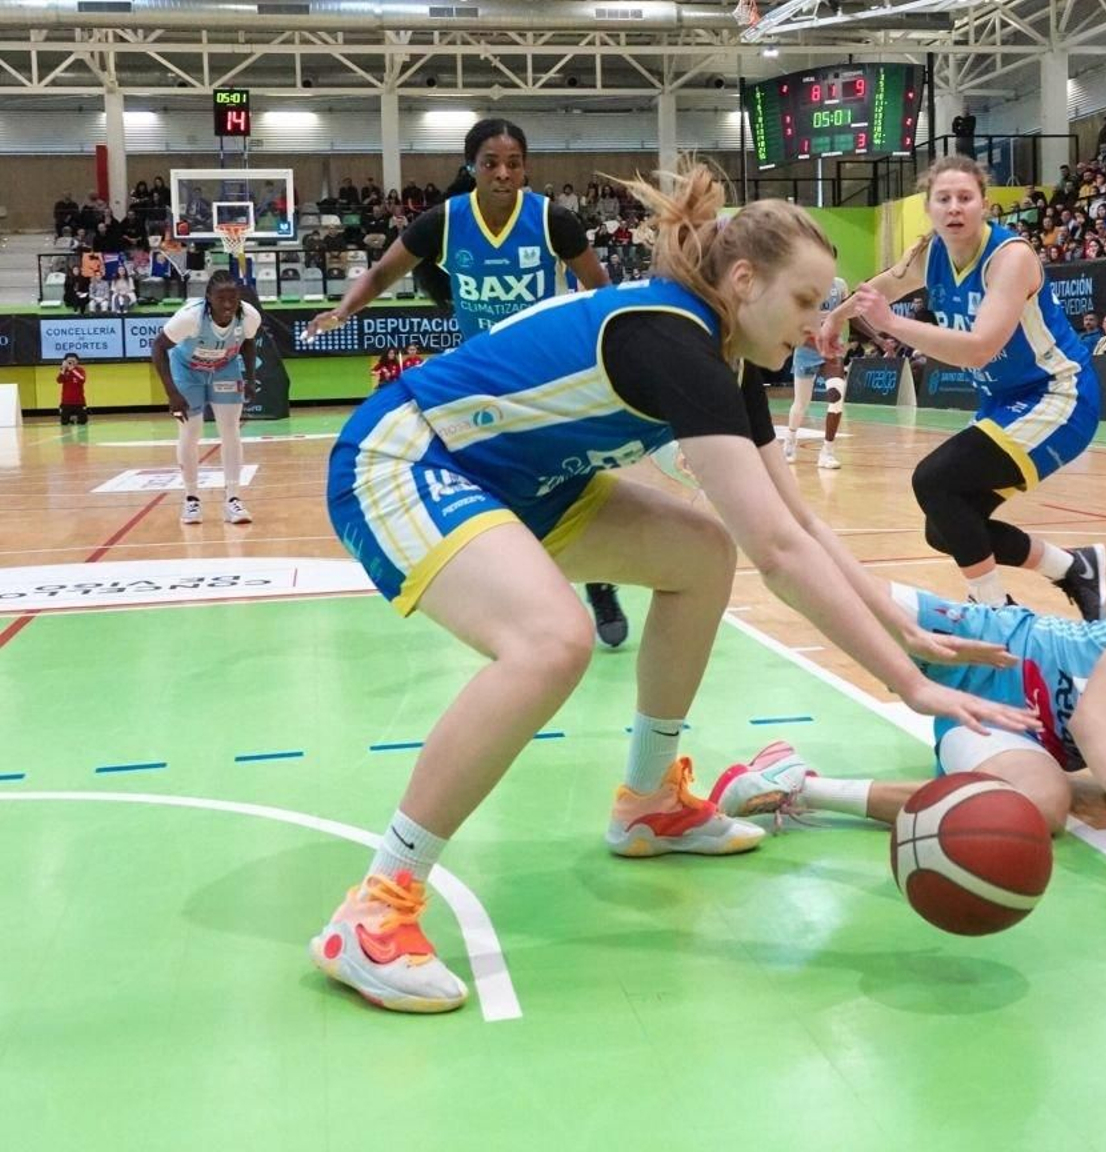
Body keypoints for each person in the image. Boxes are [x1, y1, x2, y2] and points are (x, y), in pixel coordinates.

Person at [310, 163, 1040, 1013]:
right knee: (553, 641)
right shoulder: (673, 339)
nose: (815, 328)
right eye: (805, 303)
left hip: (524, 481)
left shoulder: (728, 357)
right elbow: (778, 550)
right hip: (405, 459)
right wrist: (907, 685)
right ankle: (375, 906)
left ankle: (649, 802)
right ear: (743, 281)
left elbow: (797, 524)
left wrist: (902, 630)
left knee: (699, 552)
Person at [712, 570, 1106, 916]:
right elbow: (1095, 719)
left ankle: (797, 783)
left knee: (1040, 807)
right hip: (988, 644)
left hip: (1005, 725)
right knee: (807, 574)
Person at [302, 118, 630, 650]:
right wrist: (343, 310)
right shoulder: (445, 221)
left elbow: (601, 293)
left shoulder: (551, 220)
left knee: (576, 473)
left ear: (526, 167)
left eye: (514, 163)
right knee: (500, 483)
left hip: (551, 372)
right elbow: (383, 273)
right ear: (471, 167)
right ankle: (523, 590)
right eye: (491, 163)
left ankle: (601, 582)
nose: (503, 173)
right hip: (484, 376)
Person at [819, 156, 1106, 618]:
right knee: (946, 526)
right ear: (929, 207)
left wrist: (891, 324)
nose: (955, 208)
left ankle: (994, 609)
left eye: (965, 198)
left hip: (1058, 396)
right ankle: (1074, 567)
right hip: (1005, 400)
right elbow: (884, 286)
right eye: (944, 199)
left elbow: (978, 349)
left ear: (984, 205)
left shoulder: (1010, 257)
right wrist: (837, 316)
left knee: (933, 480)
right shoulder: (929, 254)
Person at [150, 271, 259, 527]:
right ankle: (191, 499)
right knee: (191, 431)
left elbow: (249, 343)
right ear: (209, 297)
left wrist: (251, 377)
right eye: (221, 298)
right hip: (187, 371)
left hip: (225, 367)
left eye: (233, 298)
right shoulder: (190, 318)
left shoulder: (249, 316)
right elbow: (158, 347)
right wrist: (172, 393)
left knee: (230, 431)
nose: (228, 304)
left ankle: (233, 499)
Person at [778, 273, 850, 469]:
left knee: (837, 396)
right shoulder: (804, 287)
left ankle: (827, 451)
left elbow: (849, 314)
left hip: (832, 349)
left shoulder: (840, 285)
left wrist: (877, 338)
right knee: (801, 403)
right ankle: (790, 441)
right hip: (807, 348)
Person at [57, 354, 88, 426]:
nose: (71, 363)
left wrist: (72, 370)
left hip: (79, 401)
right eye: (69, 361)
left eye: (73, 361)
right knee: (64, 423)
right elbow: (59, 381)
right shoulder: (64, 370)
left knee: (83, 422)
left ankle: (76, 419)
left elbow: (82, 379)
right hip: (66, 402)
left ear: (77, 361)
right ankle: (70, 419)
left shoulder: (80, 370)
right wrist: (63, 370)